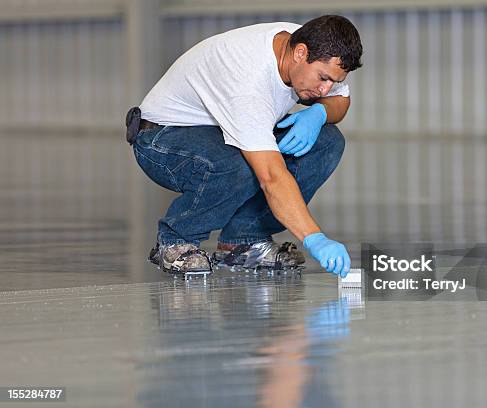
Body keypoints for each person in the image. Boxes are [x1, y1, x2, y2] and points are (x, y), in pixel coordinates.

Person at [126, 15, 362, 277]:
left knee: (327, 141)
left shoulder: (310, 43)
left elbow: (341, 102)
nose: (325, 88)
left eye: (333, 81)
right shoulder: (248, 78)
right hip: (162, 138)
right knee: (237, 165)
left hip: (220, 130)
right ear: (300, 53)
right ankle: (175, 241)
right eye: (322, 78)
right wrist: (314, 238)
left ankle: (243, 241)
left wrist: (319, 113)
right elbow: (271, 177)